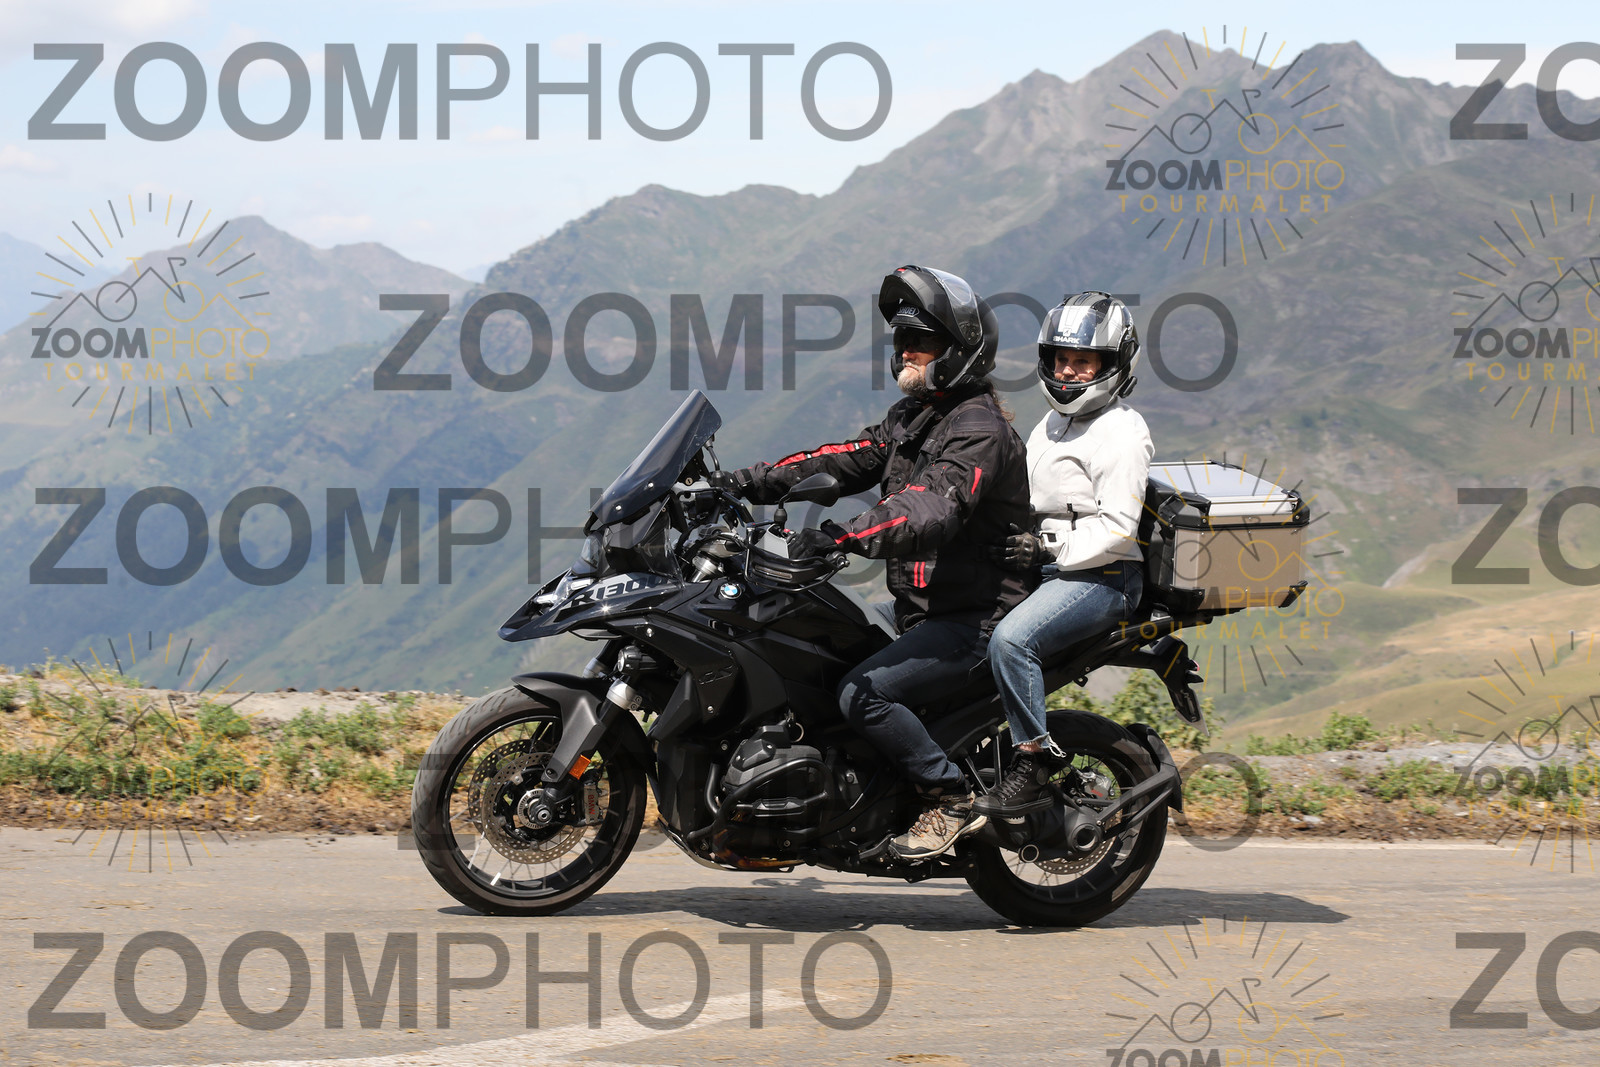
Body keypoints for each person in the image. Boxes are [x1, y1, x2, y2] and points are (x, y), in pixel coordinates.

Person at [713, 265, 1032, 860]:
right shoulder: (914, 417)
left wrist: (841, 538)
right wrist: (740, 483)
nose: (906, 350)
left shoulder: (978, 429)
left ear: (960, 350)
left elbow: (929, 507)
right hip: (921, 607)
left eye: (922, 340)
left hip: (973, 618)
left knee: (863, 694)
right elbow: (843, 458)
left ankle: (949, 798)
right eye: (902, 338)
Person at [976, 291, 1153, 818]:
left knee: (1012, 642)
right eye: (1061, 359)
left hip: (1104, 577)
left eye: (1083, 361)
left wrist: (1045, 546)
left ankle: (1033, 762)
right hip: (1049, 568)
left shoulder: (1123, 431)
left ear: (1113, 364)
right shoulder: (1051, 425)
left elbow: (1118, 528)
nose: (1069, 371)